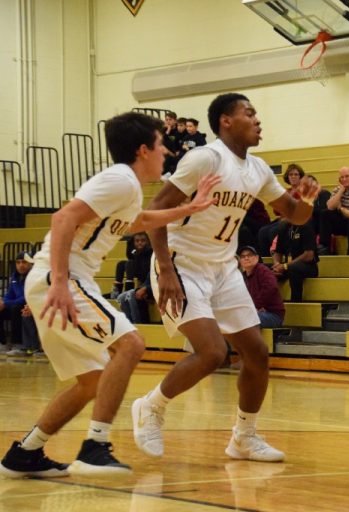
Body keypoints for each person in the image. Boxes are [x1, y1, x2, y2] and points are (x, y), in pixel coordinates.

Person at [0, 112, 220, 478]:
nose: (166, 151)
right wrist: (58, 281)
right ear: (143, 149)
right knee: (131, 344)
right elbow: (62, 219)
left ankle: (26, 452)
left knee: (91, 381)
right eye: (161, 145)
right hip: (64, 279)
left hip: (56, 280)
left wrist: (188, 208)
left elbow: (136, 222)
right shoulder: (119, 179)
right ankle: (95, 447)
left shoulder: (127, 188)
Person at [133, 93, 320, 462]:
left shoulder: (259, 169)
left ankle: (243, 438)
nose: (258, 120)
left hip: (224, 267)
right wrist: (165, 268)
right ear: (226, 121)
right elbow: (155, 209)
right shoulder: (206, 158)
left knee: (256, 354)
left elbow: (294, 215)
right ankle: (150, 406)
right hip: (182, 263)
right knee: (213, 352)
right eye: (249, 113)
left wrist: (309, 201)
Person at [317, 166, 349, 255]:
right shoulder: (338, 189)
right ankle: (324, 249)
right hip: (345, 223)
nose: (344, 179)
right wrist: (341, 190)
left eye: (347, 176)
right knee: (325, 213)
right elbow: (330, 207)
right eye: (342, 177)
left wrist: (341, 208)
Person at [1, 251, 42, 356]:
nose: (20, 265)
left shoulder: (34, 277)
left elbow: (27, 297)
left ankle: (18, 344)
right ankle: (2, 343)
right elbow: (9, 295)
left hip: (30, 306)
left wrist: (7, 303)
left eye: (24, 262)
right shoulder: (14, 277)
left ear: (31, 264)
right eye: (18, 262)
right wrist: (3, 303)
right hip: (16, 304)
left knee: (17, 307)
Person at [272, 218, 319, 303]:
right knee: (264, 269)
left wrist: (285, 266)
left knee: (293, 269)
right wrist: (276, 264)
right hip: (287, 266)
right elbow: (278, 252)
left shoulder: (306, 226)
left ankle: (296, 302)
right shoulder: (283, 228)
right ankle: (270, 304)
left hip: (308, 266)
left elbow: (309, 255)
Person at [238, 246, 284, 328]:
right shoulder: (243, 277)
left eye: (249, 255)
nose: (246, 258)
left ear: (257, 258)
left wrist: (255, 306)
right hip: (256, 312)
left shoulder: (263, 271)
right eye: (243, 256)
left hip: (272, 315)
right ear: (240, 261)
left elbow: (271, 288)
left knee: (246, 319)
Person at [116, 232, 153, 324]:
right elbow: (130, 255)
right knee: (121, 297)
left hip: (154, 285)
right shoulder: (136, 253)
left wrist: (146, 288)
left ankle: (138, 323)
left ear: (148, 242)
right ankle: (129, 323)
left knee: (131, 294)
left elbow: (152, 275)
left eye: (143, 241)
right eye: (137, 241)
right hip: (145, 283)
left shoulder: (151, 254)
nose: (140, 243)